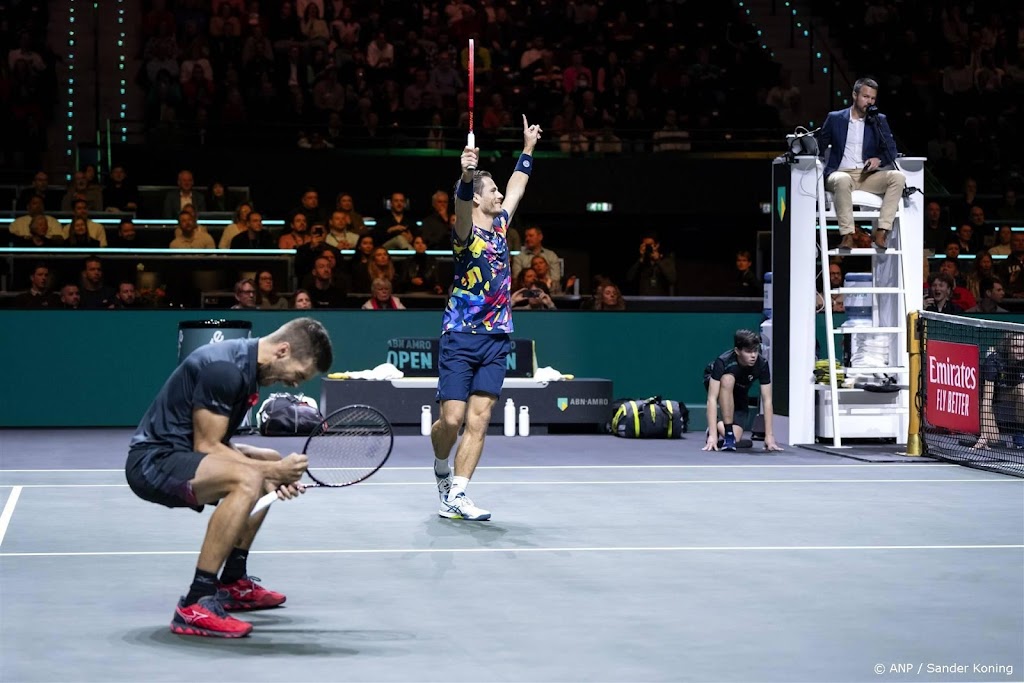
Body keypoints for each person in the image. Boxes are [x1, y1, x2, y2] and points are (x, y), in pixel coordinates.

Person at [125, 318, 334, 638]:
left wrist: (272, 469)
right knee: (249, 478)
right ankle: (196, 603)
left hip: (180, 453)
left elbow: (217, 445)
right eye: (299, 374)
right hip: (153, 462)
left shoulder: (247, 370)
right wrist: (270, 474)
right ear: (283, 351)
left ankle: (233, 581)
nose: (296, 385)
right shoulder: (225, 370)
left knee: (266, 460)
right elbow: (206, 446)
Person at [430, 115, 541, 522]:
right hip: (460, 335)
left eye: (496, 189)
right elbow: (460, 207)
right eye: (490, 190)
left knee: (479, 418)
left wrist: (527, 150)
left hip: (497, 338)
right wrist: (465, 175)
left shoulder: (500, 228)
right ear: (477, 198)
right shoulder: (465, 235)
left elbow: (517, 186)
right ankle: (441, 466)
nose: (499, 195)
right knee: (451, 419)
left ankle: (457, 494)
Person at [816, 77, 905, 250]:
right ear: (855, 95)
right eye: (865, 97)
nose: (869, 102)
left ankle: (882, 231)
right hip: (840, 174)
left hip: (866, 176)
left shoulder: (878, 119)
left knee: (898, 177)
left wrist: (878, 159)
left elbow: (891, 150)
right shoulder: (835, 118)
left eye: (872, 98)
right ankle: (848, 235)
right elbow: (819, 145)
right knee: (842, 179)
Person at [702, 329, 783, 452]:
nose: (753, 356)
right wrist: (713, 437)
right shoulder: (723, 362)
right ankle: (726, 433)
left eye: (755, 351)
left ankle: (719, 426)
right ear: (737, 351)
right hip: (718, 383)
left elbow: (767, 400)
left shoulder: (762, 364)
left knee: (737, 438)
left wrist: (769, 436)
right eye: (748, 351)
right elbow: (711, 399)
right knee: (727, 379)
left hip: (740, 389)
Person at [973, 331, 1024, 451]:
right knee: (993, 441)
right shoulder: (994, 361)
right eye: (1016, 347)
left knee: (1023, 390)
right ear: (1008, 346)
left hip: (1010, 393)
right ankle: (980, 431)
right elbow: (986, 399)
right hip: (987, 397)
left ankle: (1020, 433)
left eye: (1023, 347)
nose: (1021, 351)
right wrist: (984, 433)